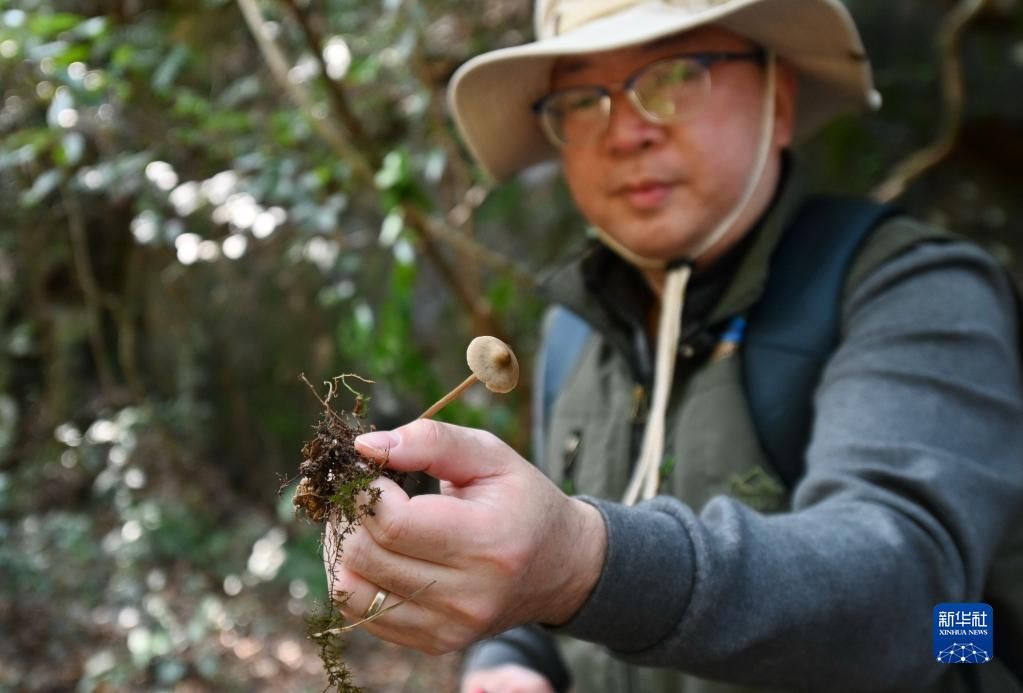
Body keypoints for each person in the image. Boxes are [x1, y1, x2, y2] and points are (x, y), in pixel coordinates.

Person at [325, 1, 1023, 691]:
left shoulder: (915, 292)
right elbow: (546, 555)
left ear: (777, 99)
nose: (625, 131)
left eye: (674, 75)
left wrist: (583, 561)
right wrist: (508, 660)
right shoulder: (578, 335)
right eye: (580, 97)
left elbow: (922, 607)